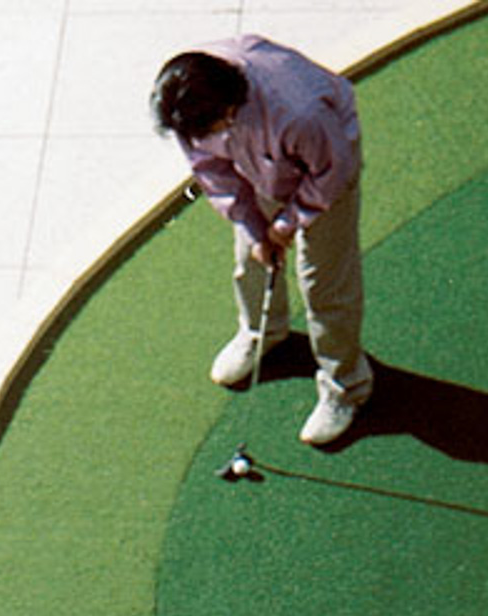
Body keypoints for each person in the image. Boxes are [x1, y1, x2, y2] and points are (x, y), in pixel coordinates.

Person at [152, 36, 372, 446]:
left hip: (326, 166)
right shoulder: (186, 109)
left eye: (210, 128)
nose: (198, 136)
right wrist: (256, 229)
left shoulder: (298, 112)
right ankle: (262, 332)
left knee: (324, 283)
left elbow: (330, 173)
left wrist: (286, 226)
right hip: (263, 163)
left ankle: (346, 385)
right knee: (250, 259)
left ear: (230, 109)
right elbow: (212, 171)